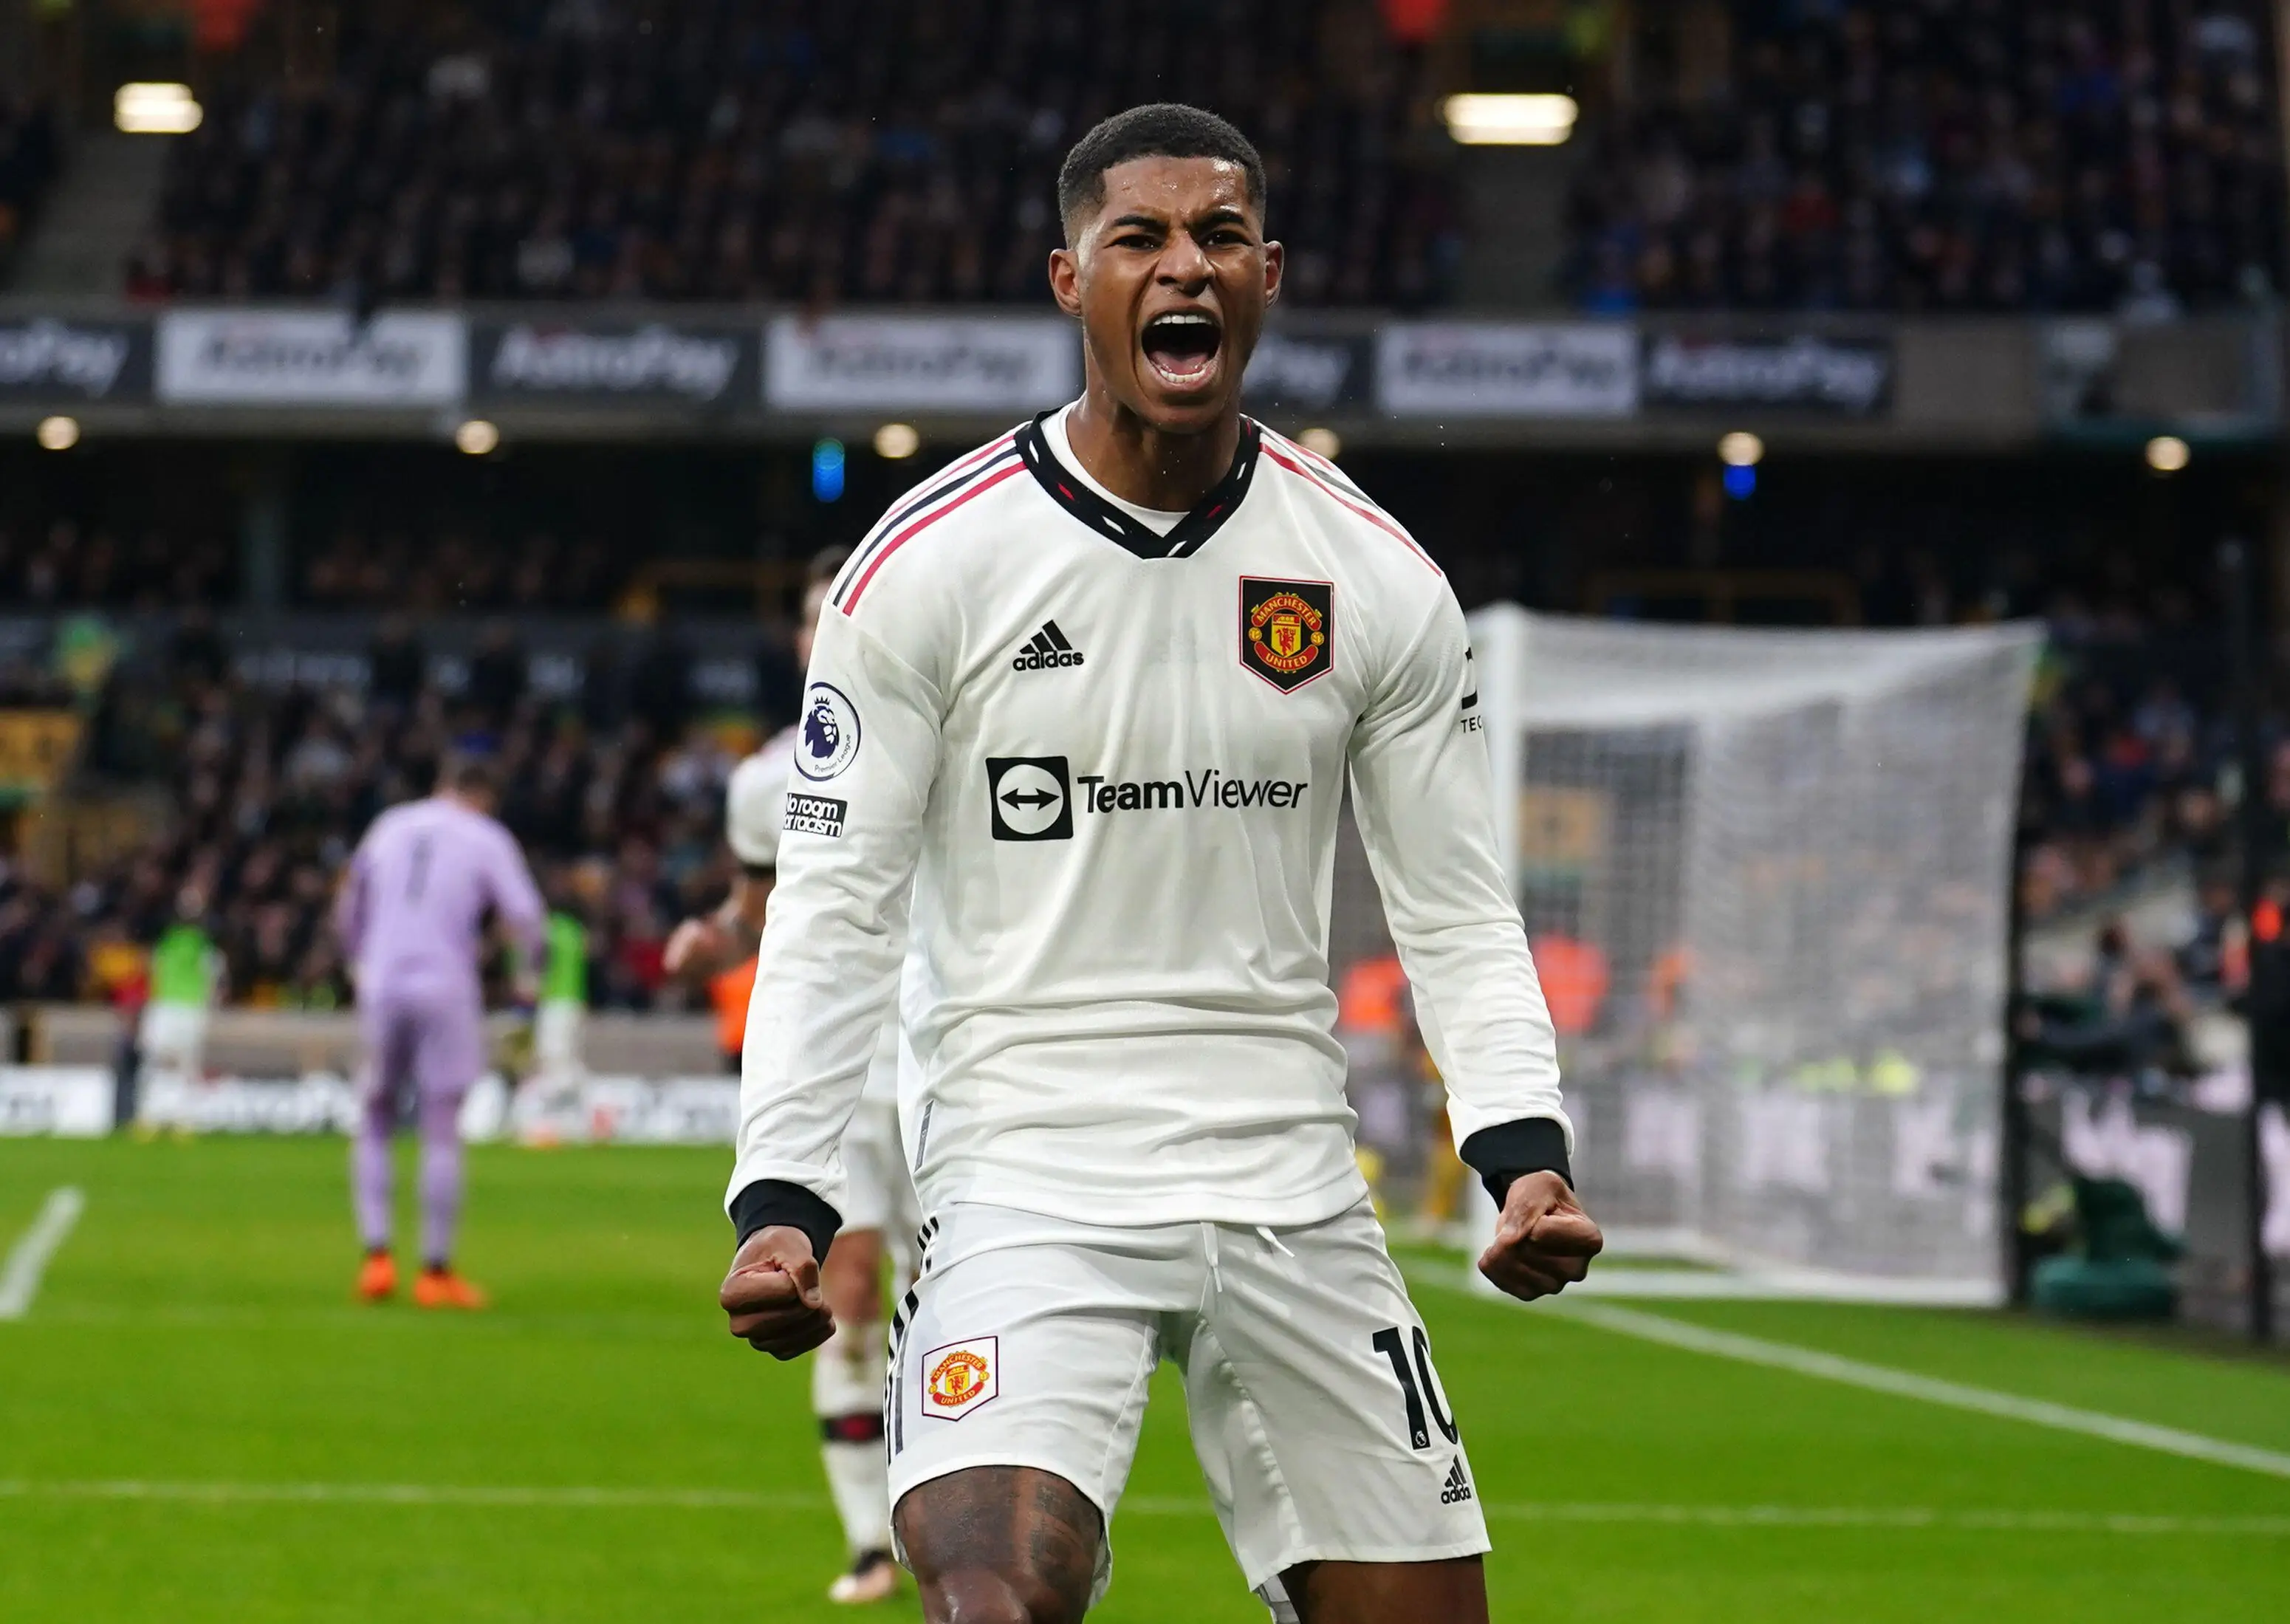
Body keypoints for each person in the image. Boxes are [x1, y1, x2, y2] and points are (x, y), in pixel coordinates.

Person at [718, 104, 1600, 1624]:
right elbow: (834, 907)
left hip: (1289, 1177)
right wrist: (781, 1195)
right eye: (1137, 237)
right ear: (1069, 277)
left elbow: (1451, 901)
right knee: (992, 1600)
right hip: (1021, 1167)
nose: (1178, 265)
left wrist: (1522, 1153)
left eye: (1215, 236)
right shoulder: (928, 562)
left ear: (1266, 273)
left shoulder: (1375, 578)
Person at [668, 545, 917, 1606]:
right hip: (850, 1072)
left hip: (969, 1061)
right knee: (853, 1293)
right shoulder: (766, 779)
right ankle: (872, 1537)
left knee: (961, 1303)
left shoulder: (956, 732)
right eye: (816, 617)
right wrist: (719, 935)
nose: (830, 633)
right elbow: (767, 903)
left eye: (846, 613)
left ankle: (954, 1509)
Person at [337, 757, 546, 1309]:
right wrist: (527, 983)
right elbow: (525, 915)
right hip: (445, 985)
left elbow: (349, 903)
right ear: (484, 796)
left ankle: (376, 1257)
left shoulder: (388, 824)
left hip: (380, 981)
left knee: (376, 1113)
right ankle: (434, 1269)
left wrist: (358, 961)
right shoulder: (485, 836)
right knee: (440, 1123)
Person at [139, 886, 222, 1083]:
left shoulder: (205, 941)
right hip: (165, 1004)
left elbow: (215, 972)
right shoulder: (167, 937)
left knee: (187, 1063)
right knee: (153, 1059)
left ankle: (185, 1108)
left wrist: (211, 1000)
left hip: (191, 1007)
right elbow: (154, 966)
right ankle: (150, 1107)